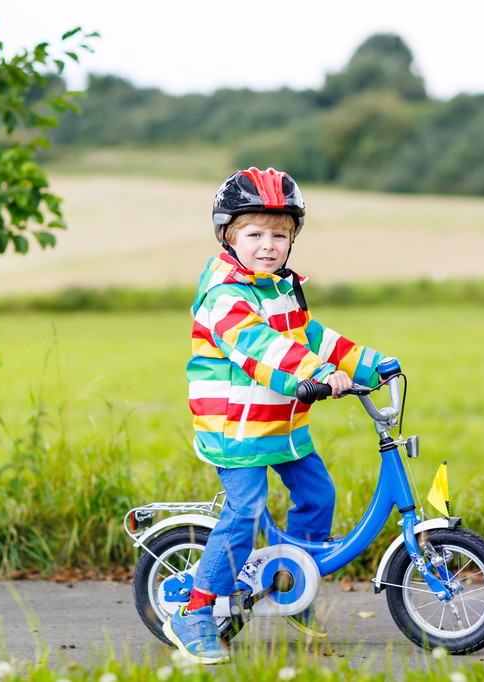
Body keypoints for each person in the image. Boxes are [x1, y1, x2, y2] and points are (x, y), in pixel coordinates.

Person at [163, 167, 388, 664]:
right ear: (228, 236)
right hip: (236, 430)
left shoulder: (280, 289)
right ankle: (196, 611)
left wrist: (366, 362)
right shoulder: (226, 297)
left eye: (280, 234)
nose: (269, 245)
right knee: (243, 511)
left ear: (293, 238)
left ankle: (291, 580)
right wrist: (314, 375)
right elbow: (262, 348)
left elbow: (314, 337)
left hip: (282, 427)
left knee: (317, 495)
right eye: (255, 233)